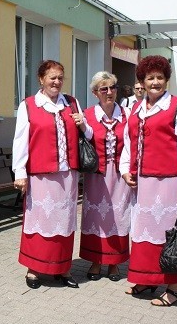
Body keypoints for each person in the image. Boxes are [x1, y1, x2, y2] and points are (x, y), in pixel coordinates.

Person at [120, 55, 177, 307]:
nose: (155, 82)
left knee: (168, 233)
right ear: (142, 81)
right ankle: (146, 278)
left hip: (168, 182)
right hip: (142, 182)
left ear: (167, 80)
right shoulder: (136, 108)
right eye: (150, 78)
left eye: (160, 78)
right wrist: (125, 169)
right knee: (144, 233)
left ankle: (176, 288)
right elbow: (129, 143)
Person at [12, 59, 92, 289]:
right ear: (41, 79)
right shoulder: (29, 105)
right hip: (41, 175)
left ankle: (62, 268)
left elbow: (88, 136)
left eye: (60, 77)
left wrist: (83, 124)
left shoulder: (72, 103)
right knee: (40, 220)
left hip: (68, 175)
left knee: (64, 221)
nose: (56, 82)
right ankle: (34, 269)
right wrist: (20, 172)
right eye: (52, 77)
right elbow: (20, 141)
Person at [79, 72, 131, 282]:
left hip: (120, 175)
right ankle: (96, 261)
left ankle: (115, 263)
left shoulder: (128, 114)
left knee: (118, 216)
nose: (110, 92)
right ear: (95, 93)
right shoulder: (87, 114)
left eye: (113, 87)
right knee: (96, 218)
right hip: (97, 176)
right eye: (104, 89)